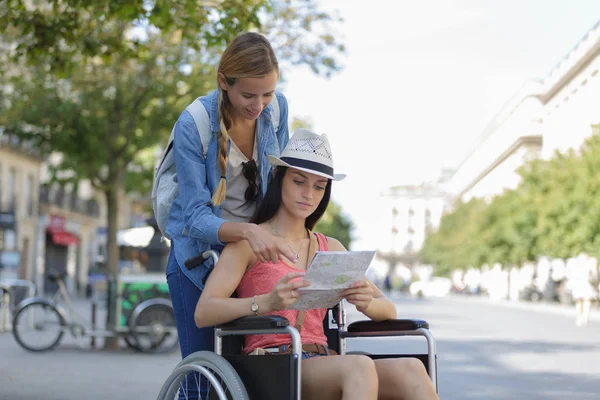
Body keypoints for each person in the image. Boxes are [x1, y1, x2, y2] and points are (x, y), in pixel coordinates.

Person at [195, 129, 439, 400]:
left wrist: (366, 302)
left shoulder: (331, 248)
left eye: (319, 186)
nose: (309, 194)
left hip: (324, 360)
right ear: (279, 178)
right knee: (359, 367)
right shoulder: (249, 242)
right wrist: (265, 302)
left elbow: (388, 310)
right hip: (272, 362)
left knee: (412, 369)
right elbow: (204, 312)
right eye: (299, 181)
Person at [165, 32, 298, 399]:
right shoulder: (195, 123)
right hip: (196, 258)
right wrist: (246, 232)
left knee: (253, 375)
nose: (259, 105)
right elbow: (194, 218)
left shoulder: (277, 110)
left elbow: (280, 184)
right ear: (224, 81)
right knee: (203, 381)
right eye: (248, 95)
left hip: (248, 256)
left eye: (267, 94)